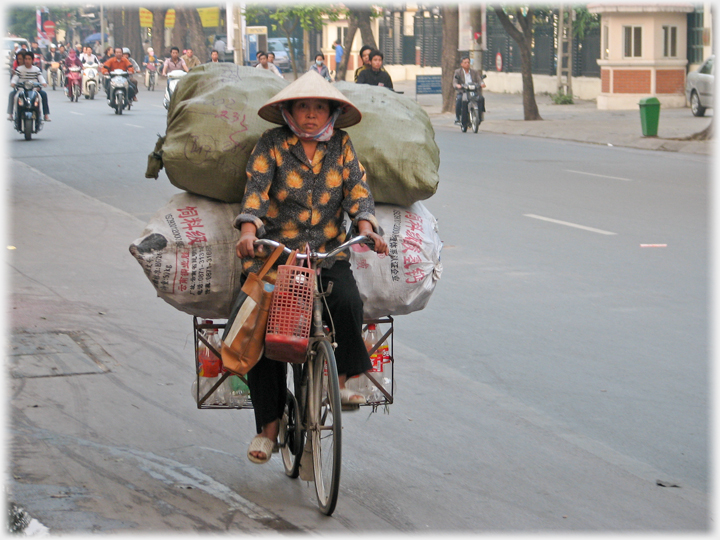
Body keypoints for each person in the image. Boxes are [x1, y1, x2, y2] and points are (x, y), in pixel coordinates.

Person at [234, 70, 388, 464]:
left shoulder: (341, 145)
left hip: (327, 255)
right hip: (279, 259)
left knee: (350, 303)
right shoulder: (271, 144)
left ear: (331, 113)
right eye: (303, 107)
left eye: (319, 108)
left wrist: (367, 227)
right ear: (288, 111)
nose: (311, 115)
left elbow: (358, 191)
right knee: (268, 339)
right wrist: (249, 231)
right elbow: (255, 191)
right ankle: (268, 429)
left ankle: (337, 384)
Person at [9, 51, 50, 122]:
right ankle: (11, 114)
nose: (27, 61)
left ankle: (45, 115)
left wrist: (43, 83)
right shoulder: (19, 69)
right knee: (13, 95)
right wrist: (13, 83)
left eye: (29, 59)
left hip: (34, 89)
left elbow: (40, 77)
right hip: (21, 89)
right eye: (26, 59)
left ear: (32, 60)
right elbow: (15, 78)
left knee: (43, 94)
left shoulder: (36, 69)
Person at [453, 56, 484, 125]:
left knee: (481, 98)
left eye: (468, 62)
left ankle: (480, 115)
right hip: (463, 91)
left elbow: (479, 80)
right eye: (465, 62)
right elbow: (455, 82)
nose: (467, 64)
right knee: (459, 100)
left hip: (473, 91)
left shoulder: (474, 72)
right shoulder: (458, 72)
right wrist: (458, 85)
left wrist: (482, 84)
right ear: (461, 64)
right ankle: (458, 117)